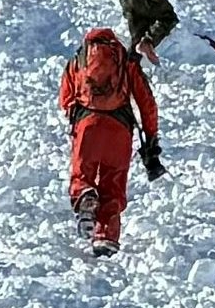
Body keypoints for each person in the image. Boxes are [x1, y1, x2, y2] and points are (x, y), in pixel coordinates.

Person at [59, 26, 165, 256]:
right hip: (119, 129)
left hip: (87, 126)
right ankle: (106, 237)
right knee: (113, 183)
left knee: (82, 175)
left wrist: (78, 118)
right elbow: (146, 103)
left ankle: (86, 196)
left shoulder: (77, 60)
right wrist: (151, 136)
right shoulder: (126, 61)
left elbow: (65, 99)